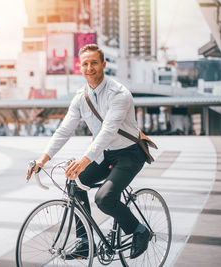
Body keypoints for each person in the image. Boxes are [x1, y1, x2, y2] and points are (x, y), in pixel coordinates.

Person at [28, 44, 150, 260]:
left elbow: (108, 131)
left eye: (94, 62)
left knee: (104, 199)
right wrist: (43, 159)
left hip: (129, 153)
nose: (89, 67)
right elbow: (64, 130)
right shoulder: (80, 98)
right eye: (85, 64)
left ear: (103, 64)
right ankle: (85, 242)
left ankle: (139, 230)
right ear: (80, 67)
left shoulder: (119, 94)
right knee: (75, 183)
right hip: (106, 154)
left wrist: (84, 160)